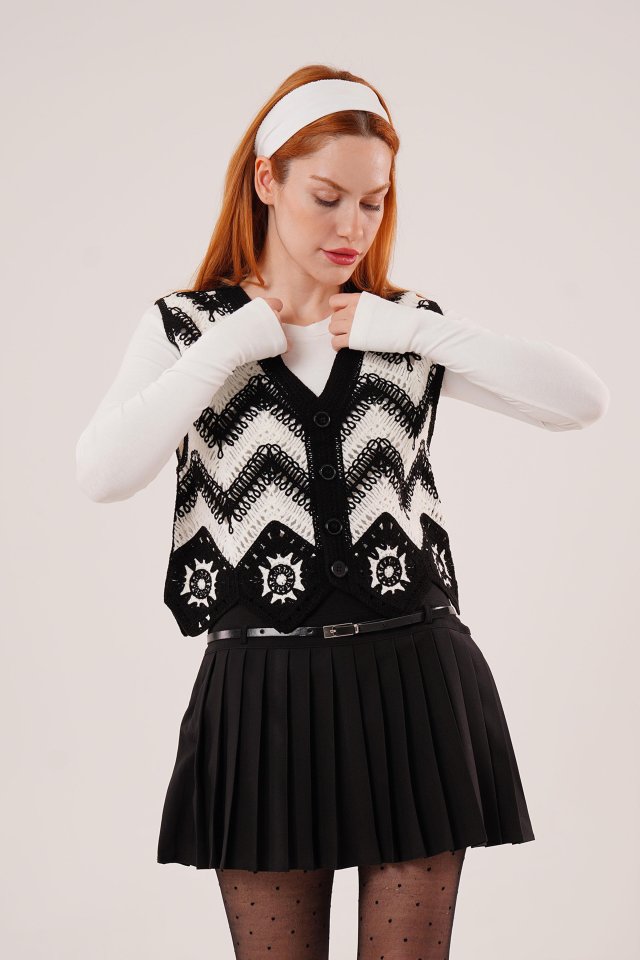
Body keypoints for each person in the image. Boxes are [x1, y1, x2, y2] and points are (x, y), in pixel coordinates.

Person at [75, 66, 609, 960]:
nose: (352, 228)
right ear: (267, 179)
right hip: (263, 697)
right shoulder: (188, 327)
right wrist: (226, 349)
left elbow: (581, 401)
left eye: (373, 201)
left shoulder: (404, 327)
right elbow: (102, 473)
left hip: (415, 684)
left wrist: (417, 331)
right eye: (327, 198)